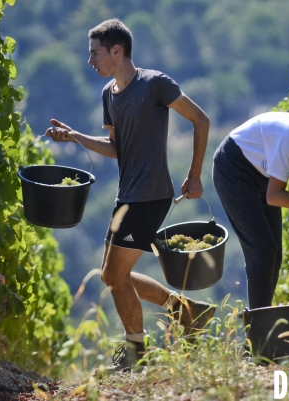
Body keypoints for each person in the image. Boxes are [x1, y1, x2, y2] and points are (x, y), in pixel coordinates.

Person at [45, 18, 215, 374]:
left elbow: (201, 120)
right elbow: (114, 148)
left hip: (151, 196)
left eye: (95, 53)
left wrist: (195, 174)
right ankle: (185, 310)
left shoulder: (155, 84)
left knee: (115, 277)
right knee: (110, 274)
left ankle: (137, 352)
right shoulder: (109, 94)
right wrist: (75, 136)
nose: (90, 61)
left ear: (116, 51)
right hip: (127, 197)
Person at [212, 112, 289, 310]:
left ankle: (261, 318)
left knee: (274, 253)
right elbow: (274, 197)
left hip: (261, 175)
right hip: (234, 169)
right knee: (262, 250)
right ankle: (256, 329)